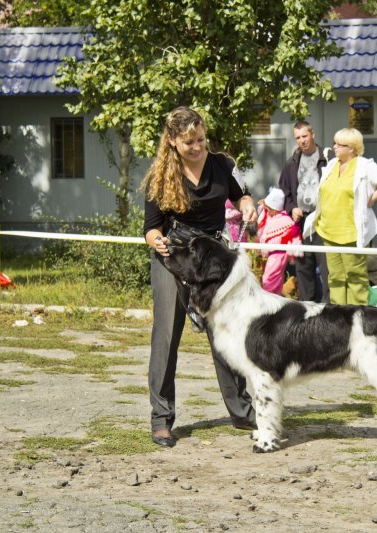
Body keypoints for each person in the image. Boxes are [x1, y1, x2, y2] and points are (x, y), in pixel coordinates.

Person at [141, 106, 257, 448]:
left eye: (202, 139)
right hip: (172, 255)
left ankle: (241, 411)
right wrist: (156, 241)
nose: (197, 147)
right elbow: (151, 228)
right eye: (189, 142)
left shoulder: (222, 163)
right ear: (174, 141)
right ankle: (161, 419)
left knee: (224, 332)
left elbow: (241, 194)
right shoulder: (161, 177)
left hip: (212, 257)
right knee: (166, 335)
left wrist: (247, 205)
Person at [303, 127, 377, 305]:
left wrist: (372, 199)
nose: (335, 147)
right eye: (335, 143)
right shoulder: (332, 165)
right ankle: (339, 315)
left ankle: (358, 314)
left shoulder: (364, 165)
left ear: (352, 148)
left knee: (355, 276)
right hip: (328, 230)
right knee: (335, 277)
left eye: (340, 144)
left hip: (350, 231)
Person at [278, 121, 330, 302]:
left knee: (325, 267)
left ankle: (327, 307)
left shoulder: (327, 160)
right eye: (298, 137)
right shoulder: (291, 163)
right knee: (303, 268)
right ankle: (307, 307)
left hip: (322, 221)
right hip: (300, 223)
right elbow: (284, 191)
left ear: (313, 134)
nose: (302, 141)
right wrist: (292, 208)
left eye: (304, 136)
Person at [257, 187, 302, 295]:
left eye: (268, 209)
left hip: (279, 253)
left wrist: (295, 225)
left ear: (274, 209)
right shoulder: (273, 218)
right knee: (276, 279)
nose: (266, 211)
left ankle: (268, 298)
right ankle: (275, 297)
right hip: (274, 254)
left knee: (269, 278)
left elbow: (292, 232)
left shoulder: (283, 219)